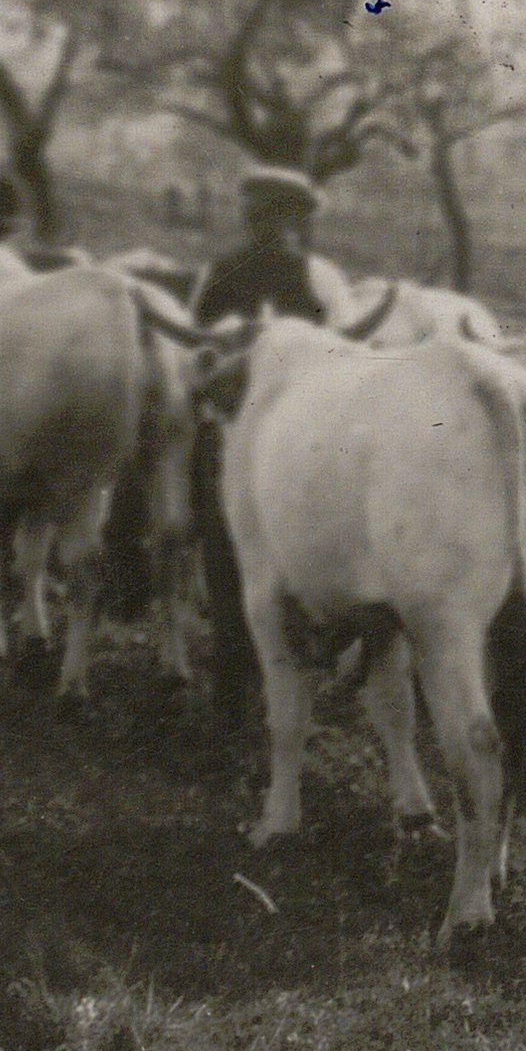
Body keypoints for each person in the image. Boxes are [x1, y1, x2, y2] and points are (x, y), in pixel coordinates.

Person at [188, 164, 333, 729]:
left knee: (224, 557)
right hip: (293, 433)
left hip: (234, 429)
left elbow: (197, 343)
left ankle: (232, 696)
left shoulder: (225, 268)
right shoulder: (303, 276)